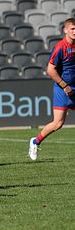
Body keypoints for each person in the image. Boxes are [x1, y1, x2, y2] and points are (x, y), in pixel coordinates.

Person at [29, 18, 75, 160]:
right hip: (63, 89)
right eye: (72, 28)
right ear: (65, 30)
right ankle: (35, 142)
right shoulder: (60, 47)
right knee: (58, 123)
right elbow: (50, 70)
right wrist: (64, 86)